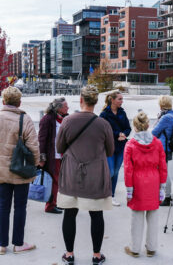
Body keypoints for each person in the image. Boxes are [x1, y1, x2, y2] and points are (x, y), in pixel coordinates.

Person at [56, 85, 114, 265]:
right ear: (95, 102)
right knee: (96, 215)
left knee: (69, 213)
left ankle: (69, 254)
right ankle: (96, 256)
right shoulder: (103, 124)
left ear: (81, 100)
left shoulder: (67, 121)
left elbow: (59, 148)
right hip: (95, 174)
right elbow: (111, 151)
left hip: (72, 173)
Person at [0, 86, 40, 254]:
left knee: (3, 206)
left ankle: (2, 244)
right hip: (21, 171)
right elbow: (34, 147)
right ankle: (18, 243)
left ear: (3, 101)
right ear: (19, 102)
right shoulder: (25, 119)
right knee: (20, 207)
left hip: (1, 171)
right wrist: (35, 164)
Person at [124, 112, 167, 258]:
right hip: (153, 181)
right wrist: (162, 186)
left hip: (137, 181)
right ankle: (151, 248)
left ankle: (135, 249)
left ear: (134, 127)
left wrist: (129, 190)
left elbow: (128, 169)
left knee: (137, 216)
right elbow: (163, 166)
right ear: (148, 125)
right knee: (153, 215)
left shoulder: (130, 145)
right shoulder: (157, 143)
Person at [100, 90, 131, 206]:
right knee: (111, 171)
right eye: (119, 99)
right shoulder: (104, 114)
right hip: (109, 146)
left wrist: (124, 135)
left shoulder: (122, 112)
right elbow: (103, 130)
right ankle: (104, 193)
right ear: (112, 100)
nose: (122, 101)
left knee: (116, 171)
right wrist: (118, 134)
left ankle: (111, 196)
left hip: (121, 146)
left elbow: (128, 128)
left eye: (122, 99)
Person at [38, 97, 69, 214]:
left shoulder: (65, 118)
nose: (68, 108)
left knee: (60, 181)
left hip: (63, 155)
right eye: (66, 106)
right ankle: (50, 206)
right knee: (54, 181)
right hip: (53, 155)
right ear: (59, 108)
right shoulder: (47, 119)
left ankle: (56, 202)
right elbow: (41, 139)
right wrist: (42, 158)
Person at [152, 95, 173, 206]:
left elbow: (154, 132)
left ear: (161, 104)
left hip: (163, 148)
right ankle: (164, 195)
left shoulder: (166, 118)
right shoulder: (171, 115)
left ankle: (167, 197)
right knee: (162, 171)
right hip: (165, 148)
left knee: (163, 173)